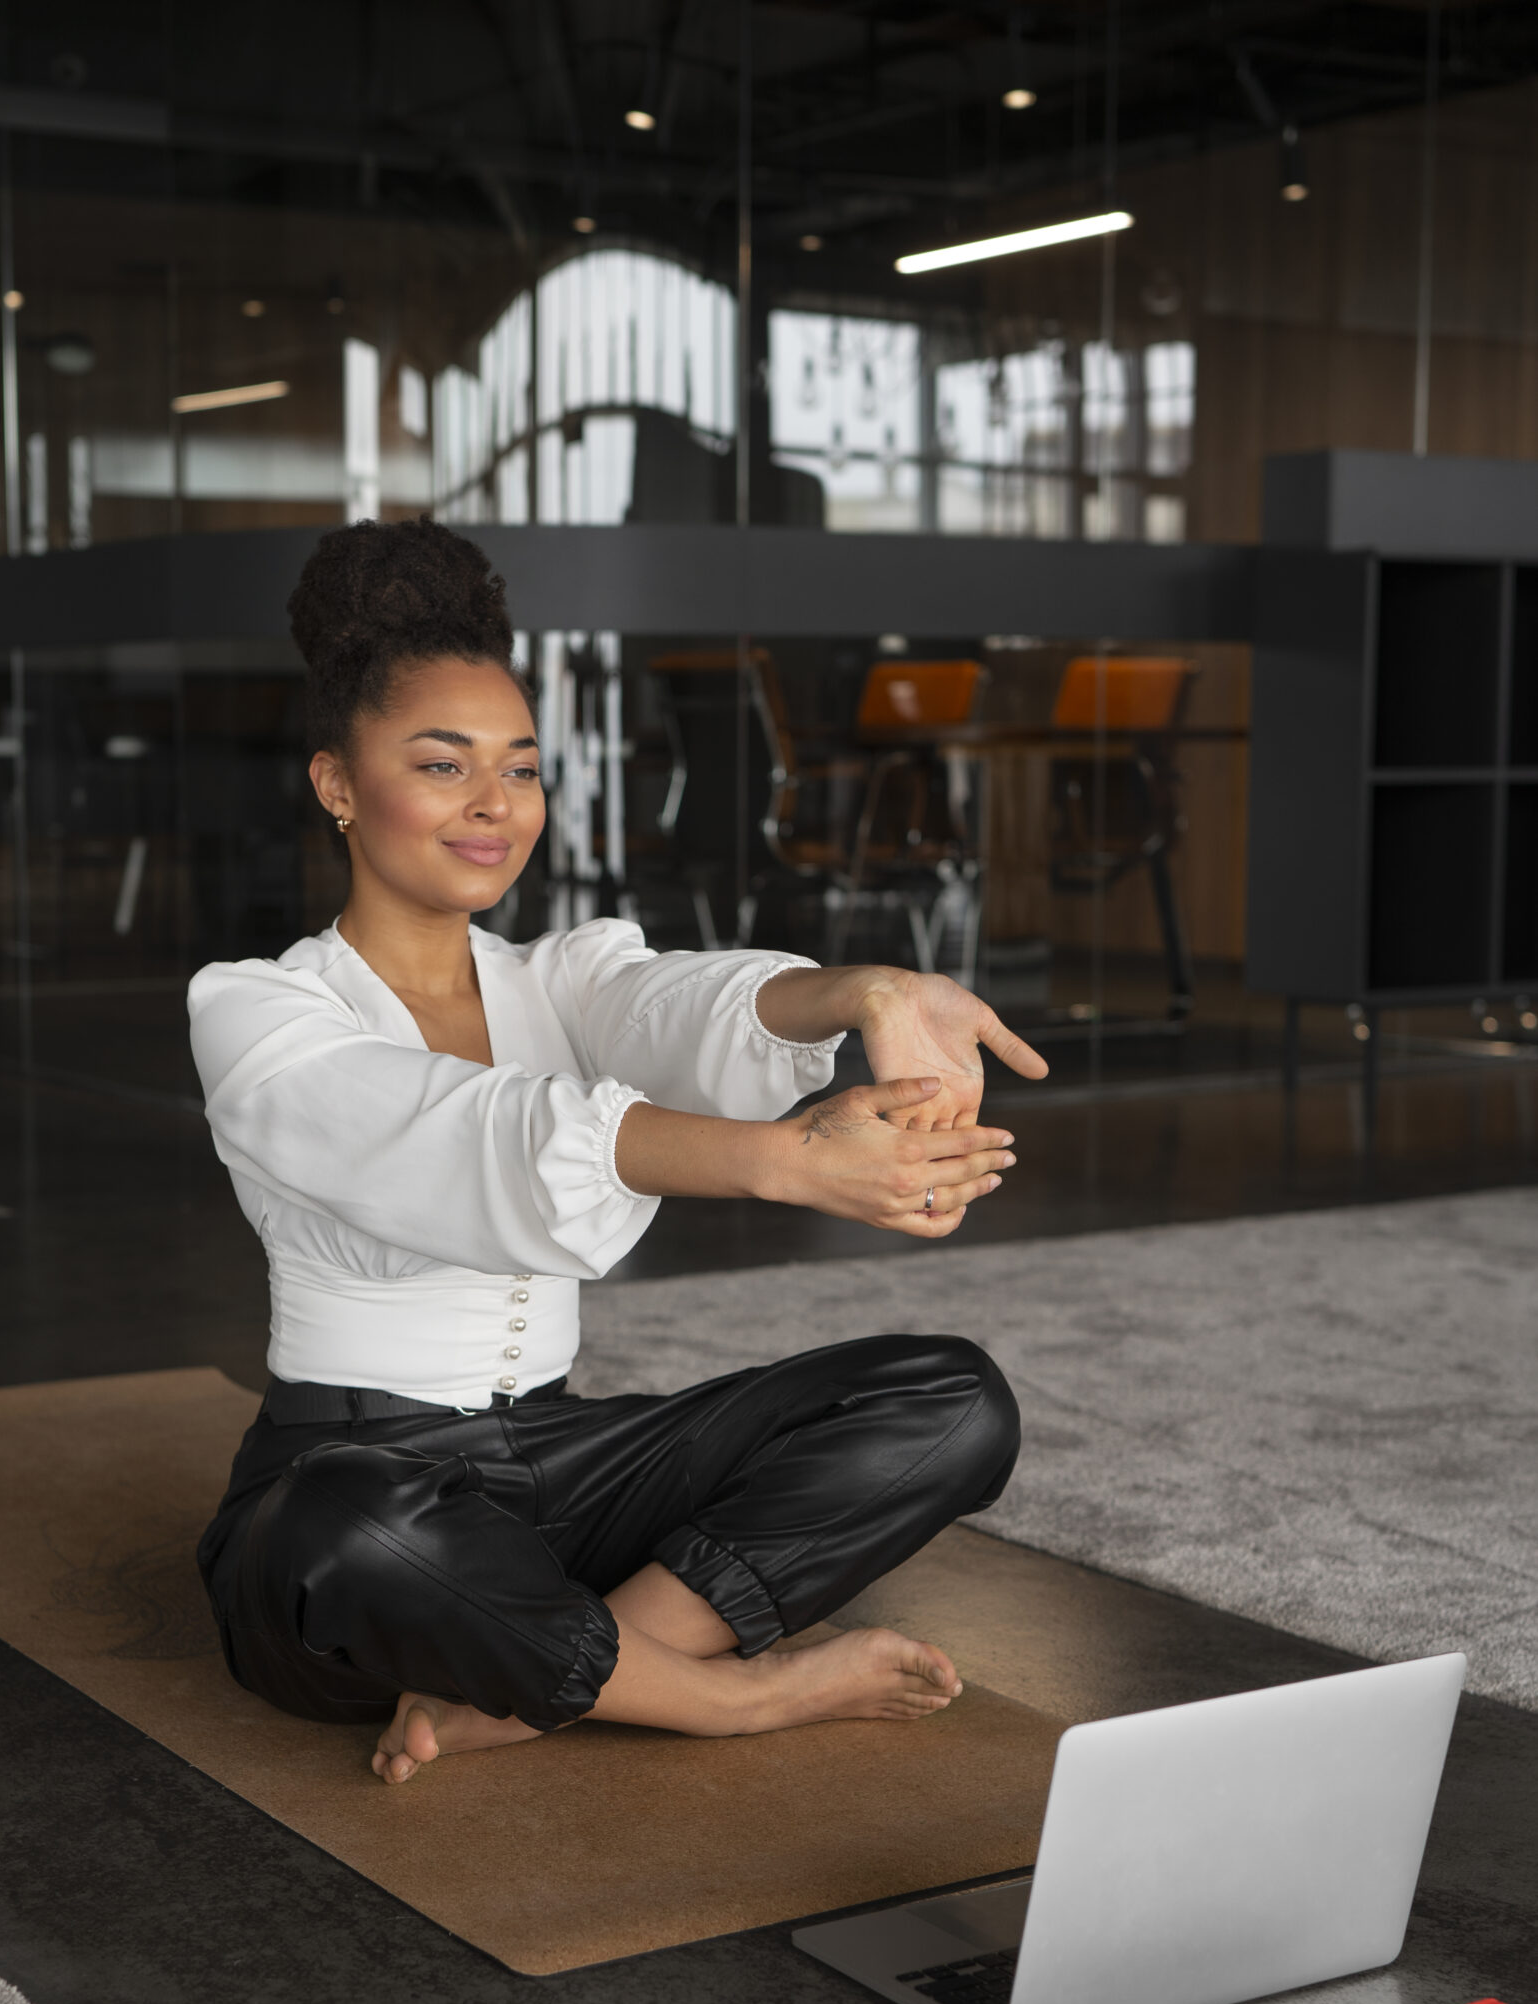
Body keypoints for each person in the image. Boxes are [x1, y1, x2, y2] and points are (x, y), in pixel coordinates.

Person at [190, 518, 1048, 1787]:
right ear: (335, 782)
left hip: (555, 1466)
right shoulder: (259, 1010)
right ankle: (725, 1698)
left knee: (949, 1401)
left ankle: (538, 1683)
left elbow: (679, 1009)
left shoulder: (561, 976)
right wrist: (787, 1159)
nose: (495, 807)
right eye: (442, 765)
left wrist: (867, 991)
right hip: (350, 1478)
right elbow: (469, 1135)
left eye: (522, 770)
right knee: (349, 1532)